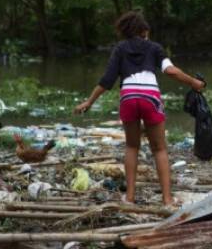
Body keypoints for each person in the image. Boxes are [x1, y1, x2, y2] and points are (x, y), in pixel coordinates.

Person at [74, 11, 204, 207]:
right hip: (150, 97)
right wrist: (194, 82)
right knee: (159, 148)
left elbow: (107, 80)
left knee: (132, 146)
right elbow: (171, 71)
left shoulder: (120, 49)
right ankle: (167, 199)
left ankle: (130, 197)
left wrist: (89, 102)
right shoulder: (155, 48)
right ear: (144, 31)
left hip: (128, 97)